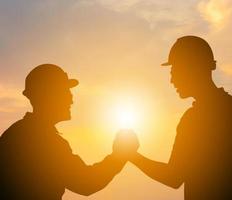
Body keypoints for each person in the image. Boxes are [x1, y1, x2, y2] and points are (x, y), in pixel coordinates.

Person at [129, 36, 232, 199]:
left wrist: (132, 156)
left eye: (175, 71)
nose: (172, 80)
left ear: (192, 69)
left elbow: (173, 177)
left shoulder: (193, 121)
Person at [0, 64, 138, 200]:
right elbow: (86, 183)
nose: (71, 99)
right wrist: (120, 155)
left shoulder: (18, 133)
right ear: (49, 95)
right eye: (65, 91)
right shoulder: (43, 140)